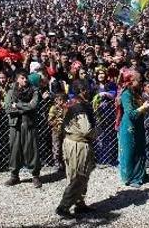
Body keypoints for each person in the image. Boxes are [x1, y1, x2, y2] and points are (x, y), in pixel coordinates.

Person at [56, 82, 97, 218]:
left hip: (69, 142)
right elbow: (86, 130)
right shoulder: (80, 107)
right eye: (88, 89)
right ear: (82, 90)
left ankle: (80, 203)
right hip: (78, 144)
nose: (90, 92)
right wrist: (97, 132)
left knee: (74, 173)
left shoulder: (70, 103)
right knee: (79, 176)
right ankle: (64, 207)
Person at [4, 71, 42, 188]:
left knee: (31, 149)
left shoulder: (34, 91)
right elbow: (8, 108)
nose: (25, 80)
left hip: (29, 124)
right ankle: (14, 176)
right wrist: (24, 108)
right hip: (15, 125)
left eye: (26, 78)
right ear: (17, 79)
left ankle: (35, 176)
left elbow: (33, 106)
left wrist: (18, 105)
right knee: (14, 150)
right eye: (22, 78)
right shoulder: (11, 92)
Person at [117, 70, 149, 187]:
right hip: (129, 127)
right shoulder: (126, 94)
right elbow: (130, 113)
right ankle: (130, 178)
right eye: (139, 79)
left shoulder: (136, 93)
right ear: (131, 81)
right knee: (129, 152)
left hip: (139, 125)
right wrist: (143, 107)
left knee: (140, 149)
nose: (141, 81)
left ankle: (140, 175)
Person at [48, 93, 67, 172]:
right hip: (56, 131)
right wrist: (57, 121)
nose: (63, 102)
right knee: (56, 147)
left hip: (65, 131)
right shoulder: (53, 109)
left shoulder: (66, 108)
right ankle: (57, 164)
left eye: (64, 101)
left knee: (64, 148)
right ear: (56, 100)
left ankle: (64, 164)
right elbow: (49, 122)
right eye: (61, 100)